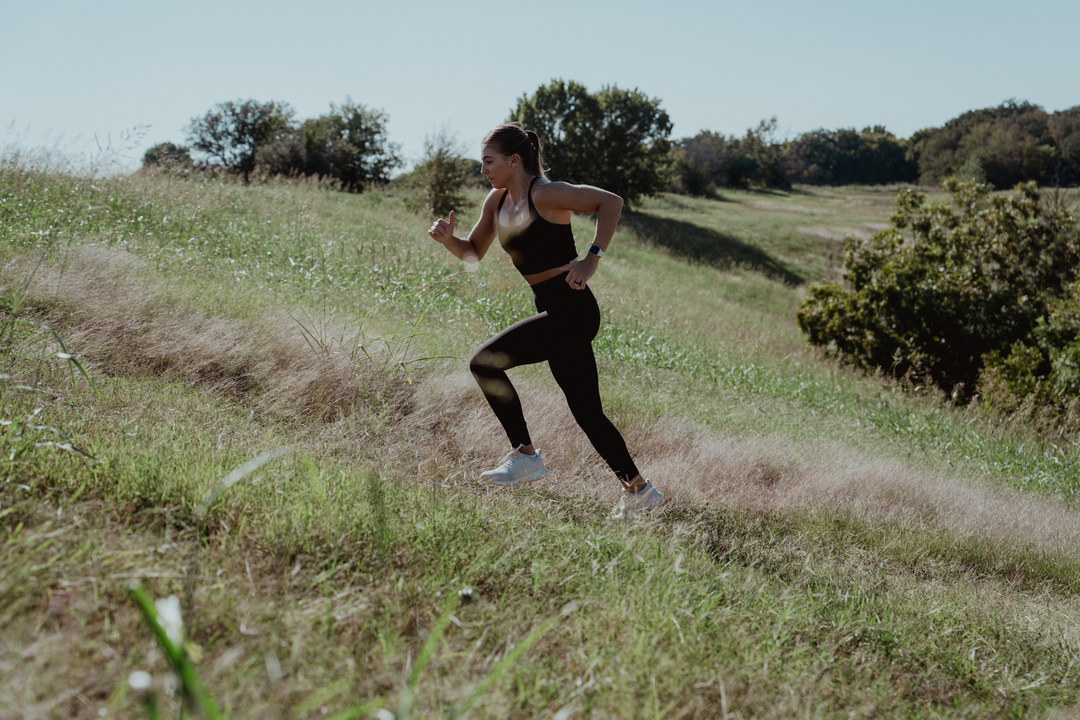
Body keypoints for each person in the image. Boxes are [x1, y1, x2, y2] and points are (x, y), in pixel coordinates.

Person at [427, 123, 662, 513]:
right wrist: (448, 238)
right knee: (588, 413)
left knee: (484, 363)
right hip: (552, 308)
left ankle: (525, 456)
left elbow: (612, 202)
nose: (483, 169)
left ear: (514, 160)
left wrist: (592, 258)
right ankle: (640, 491)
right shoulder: (496, 202)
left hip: (572, 309)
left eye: (489, 161)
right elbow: (472, 253)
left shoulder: (547, 193)